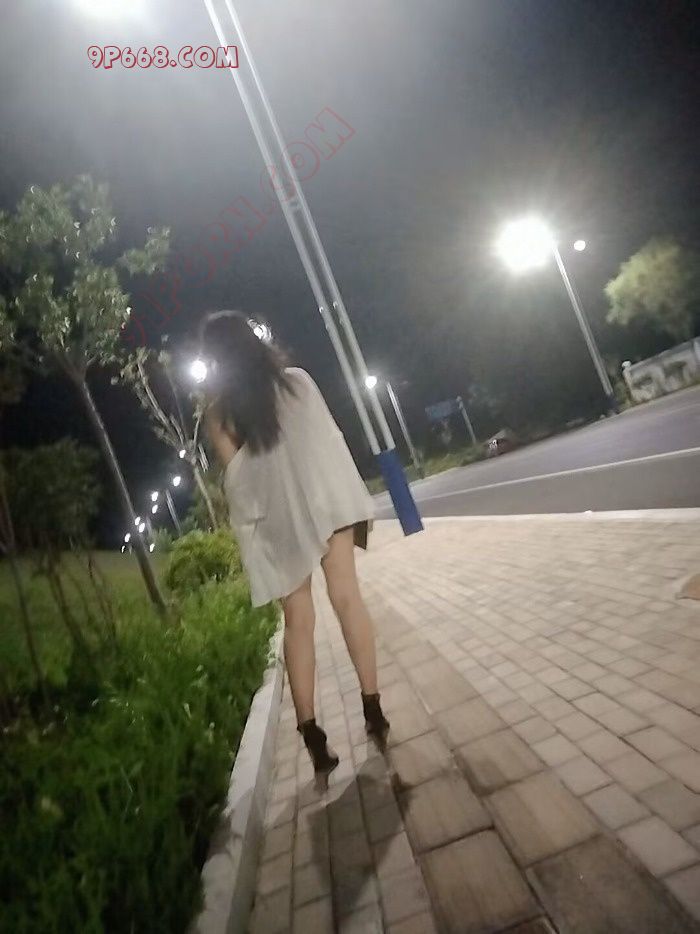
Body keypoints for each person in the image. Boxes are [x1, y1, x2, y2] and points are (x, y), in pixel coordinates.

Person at [199, 310, 389, 774]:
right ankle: (373, 710)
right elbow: (329, 444)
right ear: (253, 340)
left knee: (298, 622)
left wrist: (262, 530)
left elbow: (240, 483)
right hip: (325, 506)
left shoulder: (217, 416)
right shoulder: (297, 383)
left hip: (279, 526)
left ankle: (311, 733)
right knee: (347, 598)